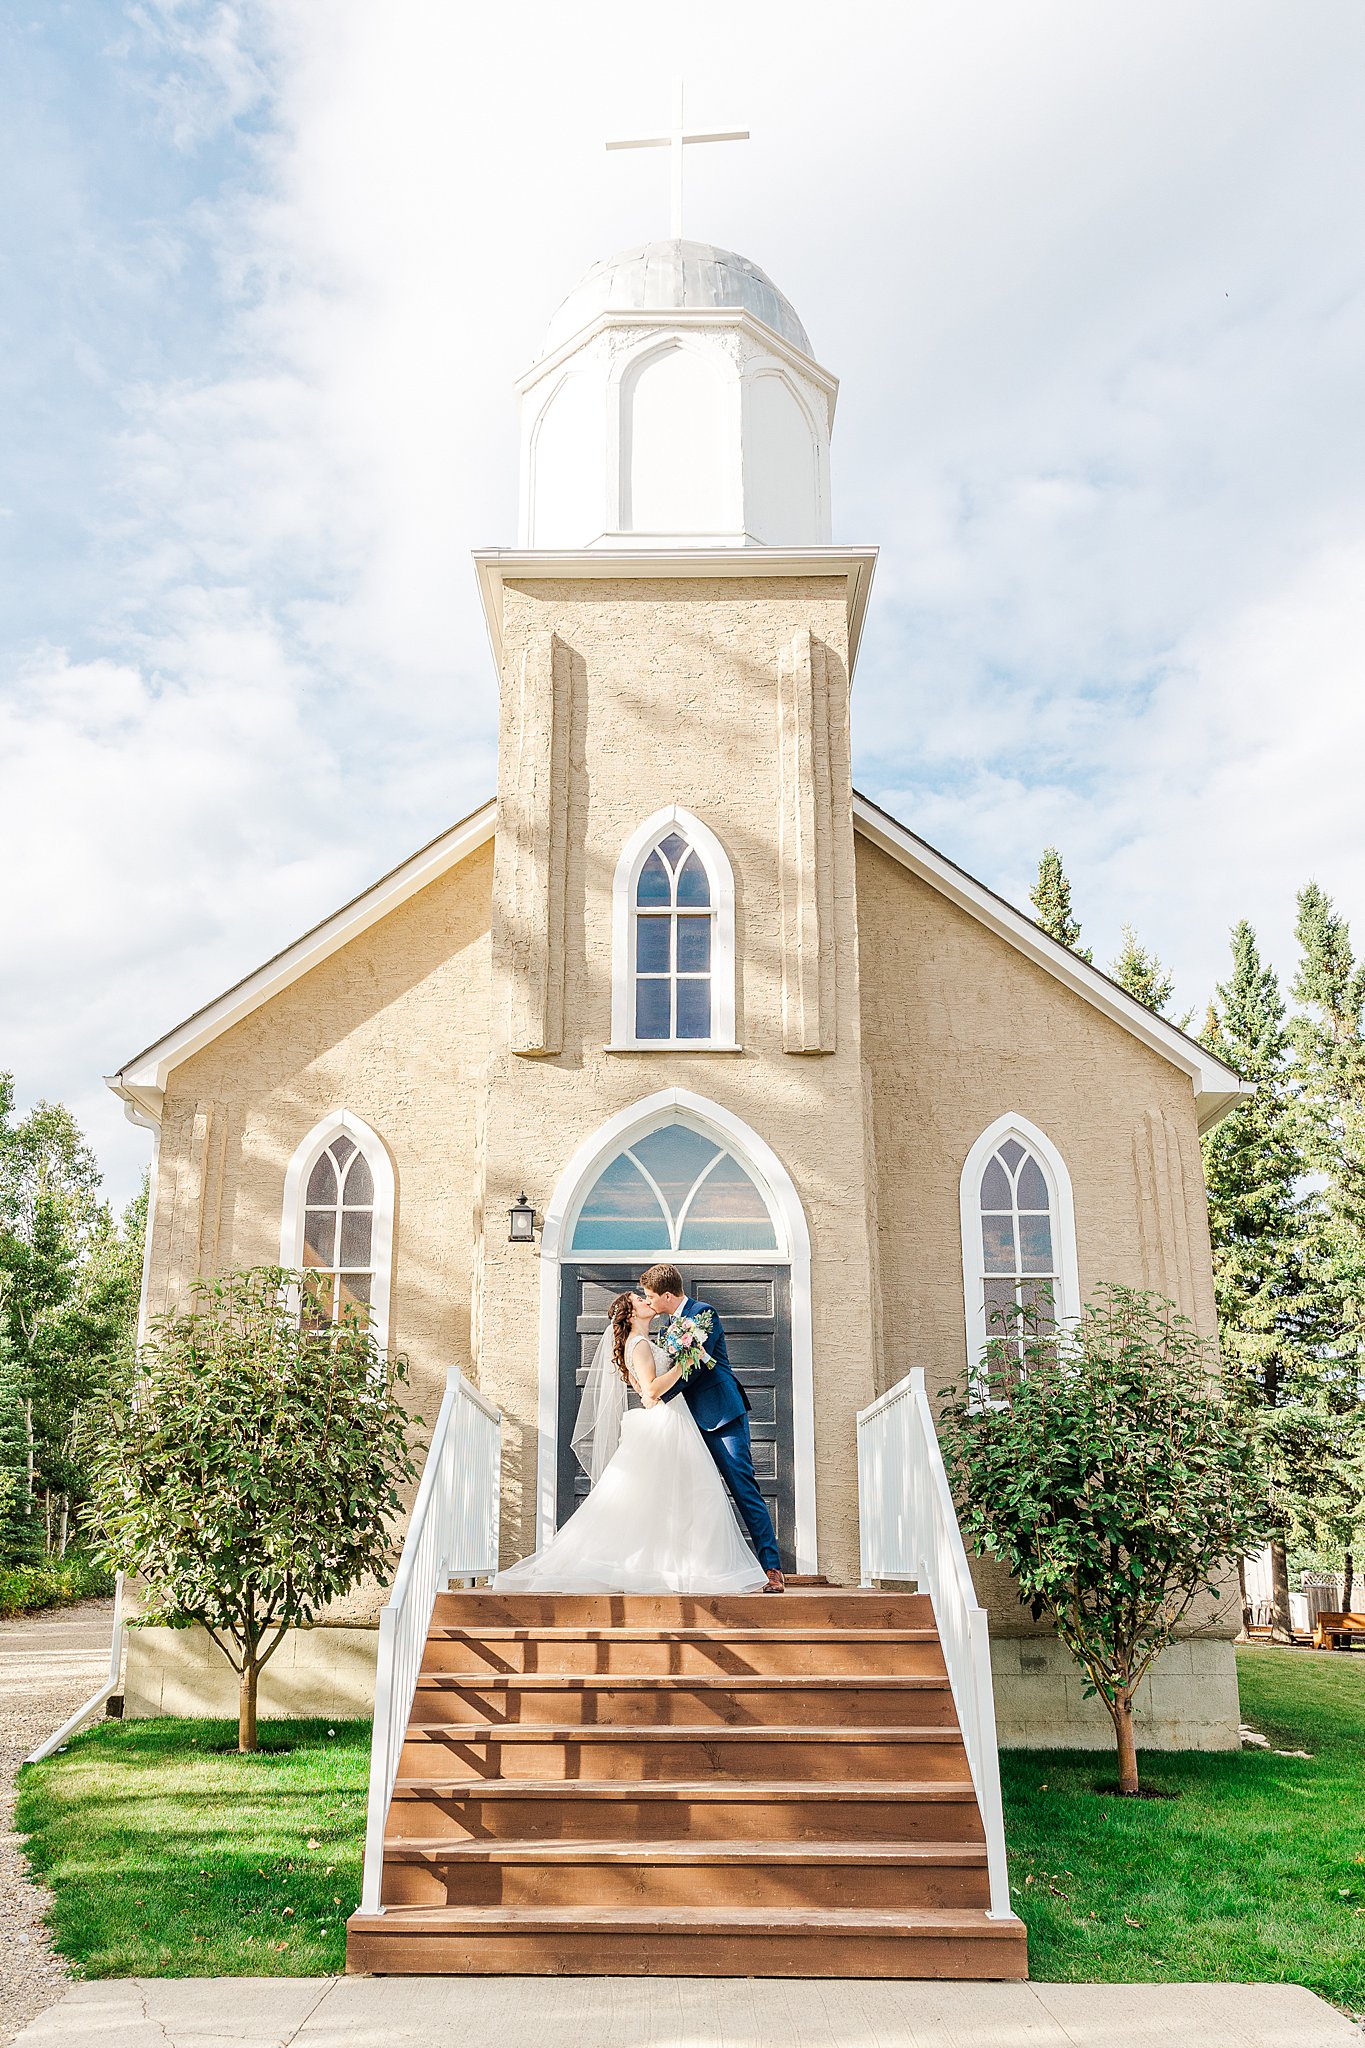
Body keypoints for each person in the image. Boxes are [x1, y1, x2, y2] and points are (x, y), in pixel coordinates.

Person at [492, 1289, 766, 1595]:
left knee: (673, 1499)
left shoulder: (648, 1341)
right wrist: (684, 1362)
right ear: (632, 1313)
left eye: (646, 1296)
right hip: (666, 1423)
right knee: (672, 1497)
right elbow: (650, 1391)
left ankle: (675, 1564)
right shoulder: (638, 1345)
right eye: (639, 1299)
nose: (646, 1301)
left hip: (675, 1421)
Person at [639, 1262, 786, 1595]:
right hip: (684, 1421)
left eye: (650, 1296)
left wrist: (659, 1393)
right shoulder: (665, 1331)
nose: (647, 1301)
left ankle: (772, 1568)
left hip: (721, 1415)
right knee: (687, 1495)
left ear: (666, 1295)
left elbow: (697, 1367)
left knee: (743, 1488)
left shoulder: (705, 1314)